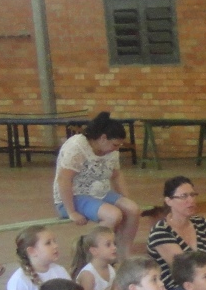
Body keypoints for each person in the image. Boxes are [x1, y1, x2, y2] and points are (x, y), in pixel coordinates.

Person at [53, 111, 140, 258]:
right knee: (113, 216)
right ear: (103, 138)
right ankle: (91, 254)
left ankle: (123, 252)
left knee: (133, 209)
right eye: (115, 144)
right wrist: (71, 212)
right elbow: (64, 180)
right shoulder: (77, 147)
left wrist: (126, 198)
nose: (116, 148)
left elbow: (116, 175)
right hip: (74, 195)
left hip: (100, 193)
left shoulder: (111, 150)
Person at [71, 226, 118, 290]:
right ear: (94, 251)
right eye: (108, 245)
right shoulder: (88, 275)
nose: (114, 247)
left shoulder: (112, 270)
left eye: (114, 244)